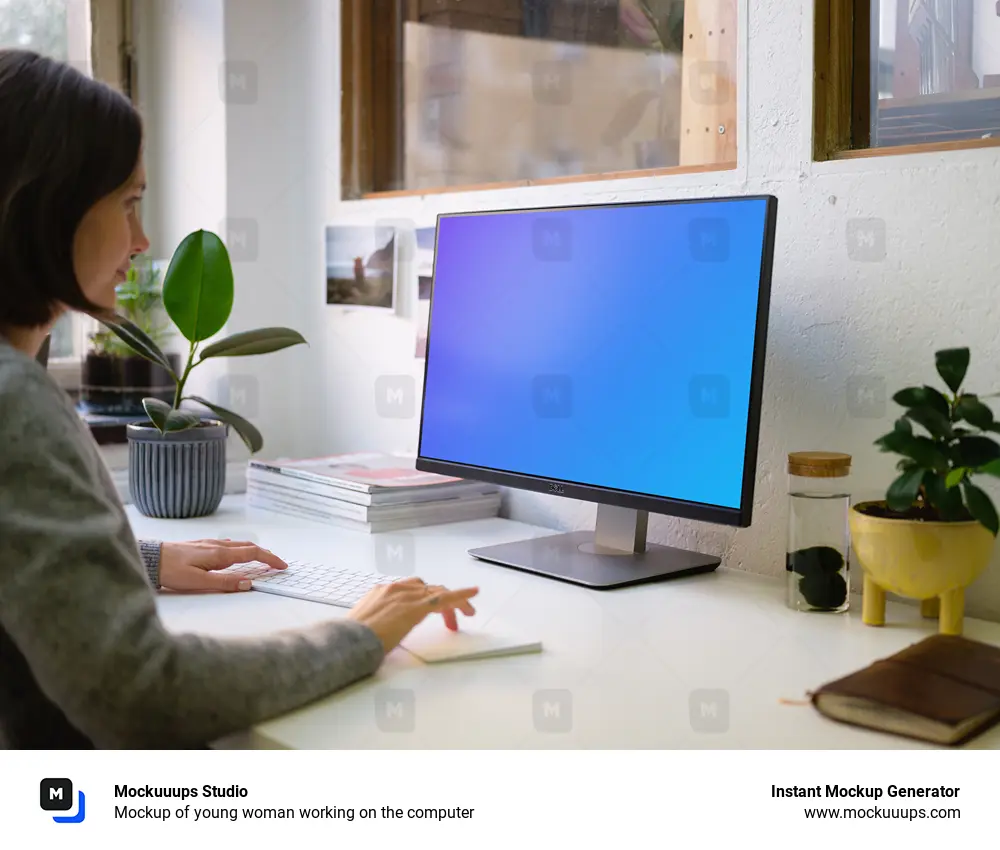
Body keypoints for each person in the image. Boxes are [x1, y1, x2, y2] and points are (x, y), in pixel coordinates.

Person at [0, 49, 479, 749]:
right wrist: (357, 636)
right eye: (130, 205)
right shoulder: (16, 401)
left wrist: (145, 560)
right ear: (52, 206)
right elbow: (141, 691)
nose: (143, 239)